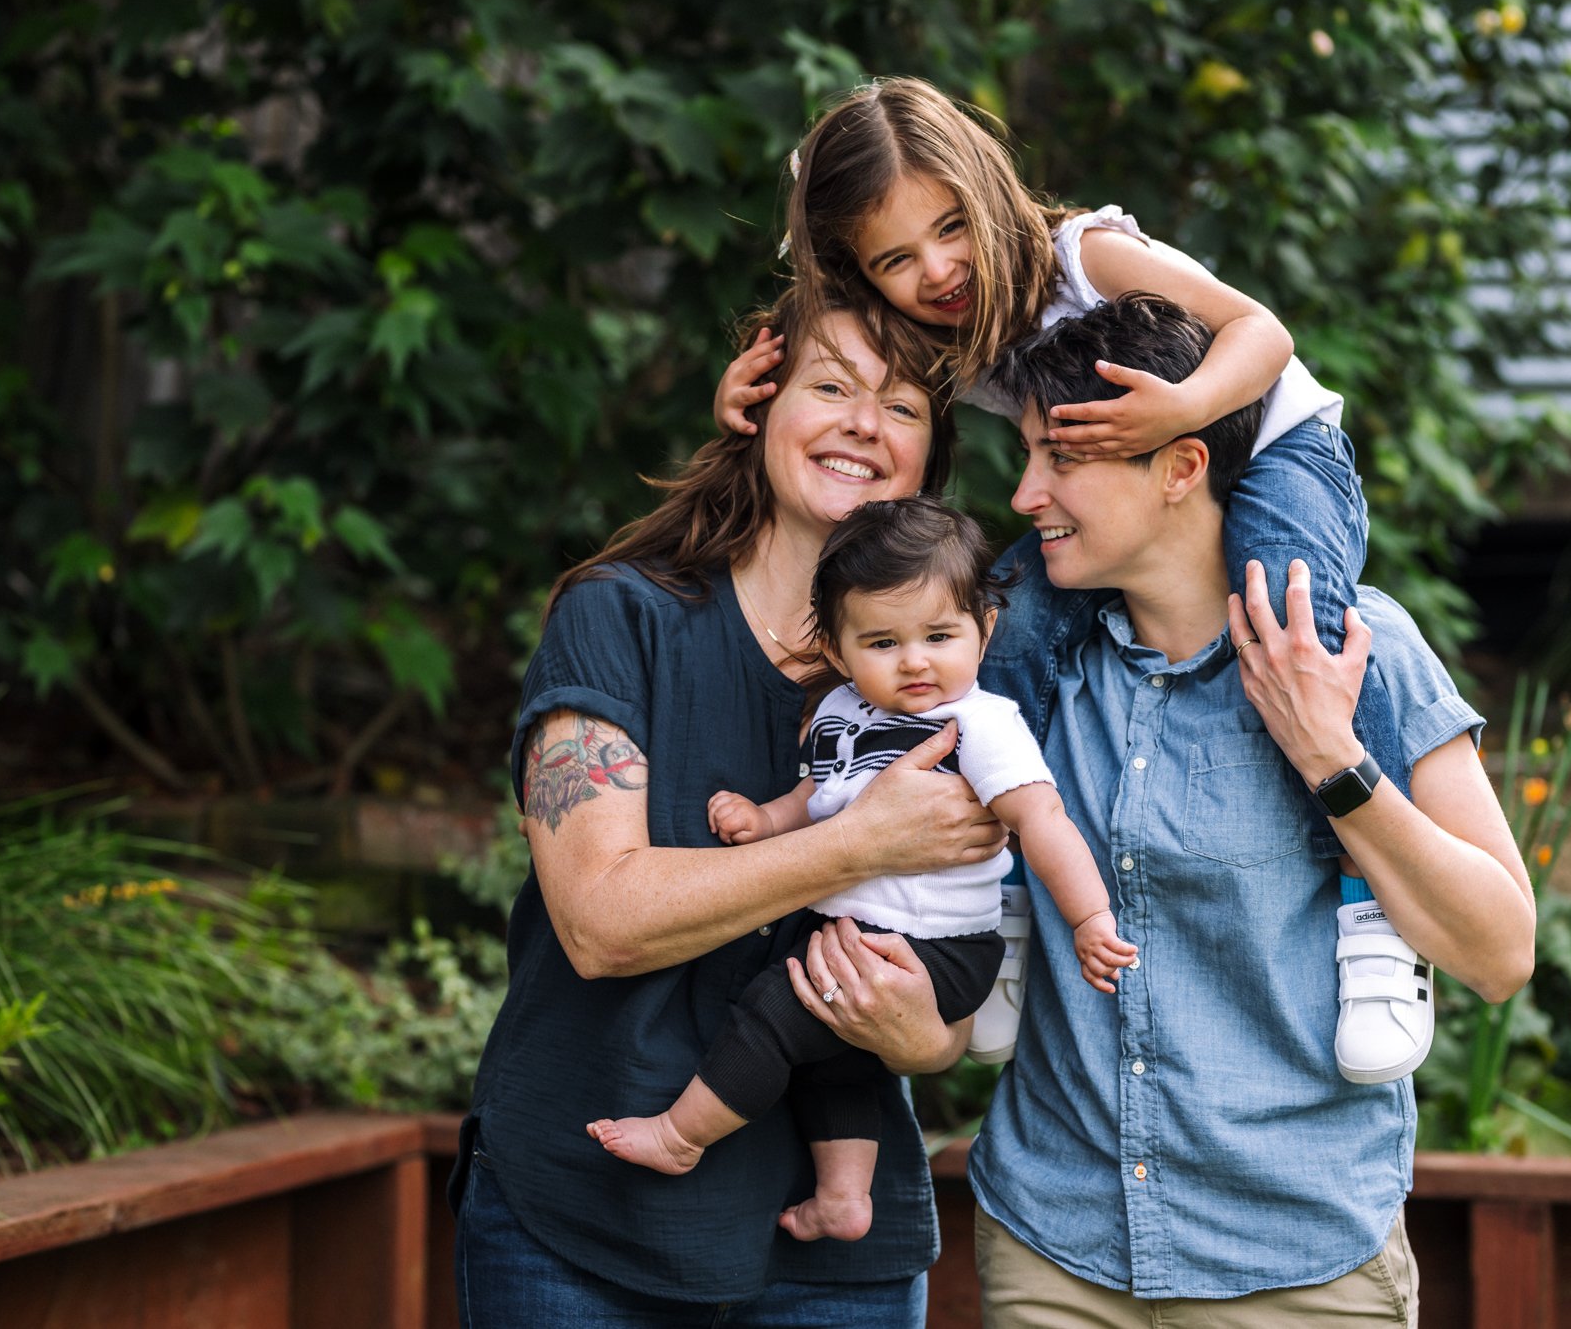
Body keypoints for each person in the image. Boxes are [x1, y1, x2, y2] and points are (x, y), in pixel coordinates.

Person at [715, 77, 1427, 1082]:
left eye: (950, 226)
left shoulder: (1080, 256)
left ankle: (1375, 918)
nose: (936, 268)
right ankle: (996, 900)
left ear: (985, 189)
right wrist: (746, 380)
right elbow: (823, 355)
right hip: (1116, 491)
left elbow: (1262, 333)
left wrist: (1177, 408)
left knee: (1298, 619)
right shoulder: (920, 325)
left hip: (1272, 444)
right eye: (894, 258)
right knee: (998, 647)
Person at [971, 293, 1535, 1325]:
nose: (1022, 494)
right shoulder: (1025, 671)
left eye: (1059, 457)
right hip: (1053, 1250)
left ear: (1181, 466)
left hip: (1297, 1267)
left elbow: (1498, 951)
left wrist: (1333, 758)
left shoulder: (1361, 651)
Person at [450, 289, 1003, 1327]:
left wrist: (924, 1038)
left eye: (901, 407)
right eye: (829, 386)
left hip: (837, 1239)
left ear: (929, 459)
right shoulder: (618, 615)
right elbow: (600, 920)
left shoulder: (954, 677)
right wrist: (854, 843)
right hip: (585, 1217)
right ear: (756, 404)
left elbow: (956, 979)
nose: (860, 423)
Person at [585, 495, 1135, 1245]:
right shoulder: (844, 710)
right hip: (860, 924)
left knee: (776, 1010)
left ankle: (681, 1137)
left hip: (937, 945)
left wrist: (1089, 917)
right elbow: (821, 794)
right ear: (840, 652)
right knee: (835, 1056)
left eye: (940, 634)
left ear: (986, 629)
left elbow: (1043, 820)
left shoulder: (977, 723)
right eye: (882, 642)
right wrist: (767, 820)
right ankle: (845, 1196)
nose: (914, 660)